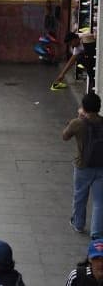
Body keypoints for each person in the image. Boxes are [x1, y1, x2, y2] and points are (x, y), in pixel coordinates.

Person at [62, 92, 103, 239]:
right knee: (99, 201)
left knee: (80, 195)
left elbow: (64, 136)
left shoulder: (78, 123)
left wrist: (79, 118)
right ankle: (96, 232)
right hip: (101, 167)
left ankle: (78, 224)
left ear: (84, 107)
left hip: (82, 166)